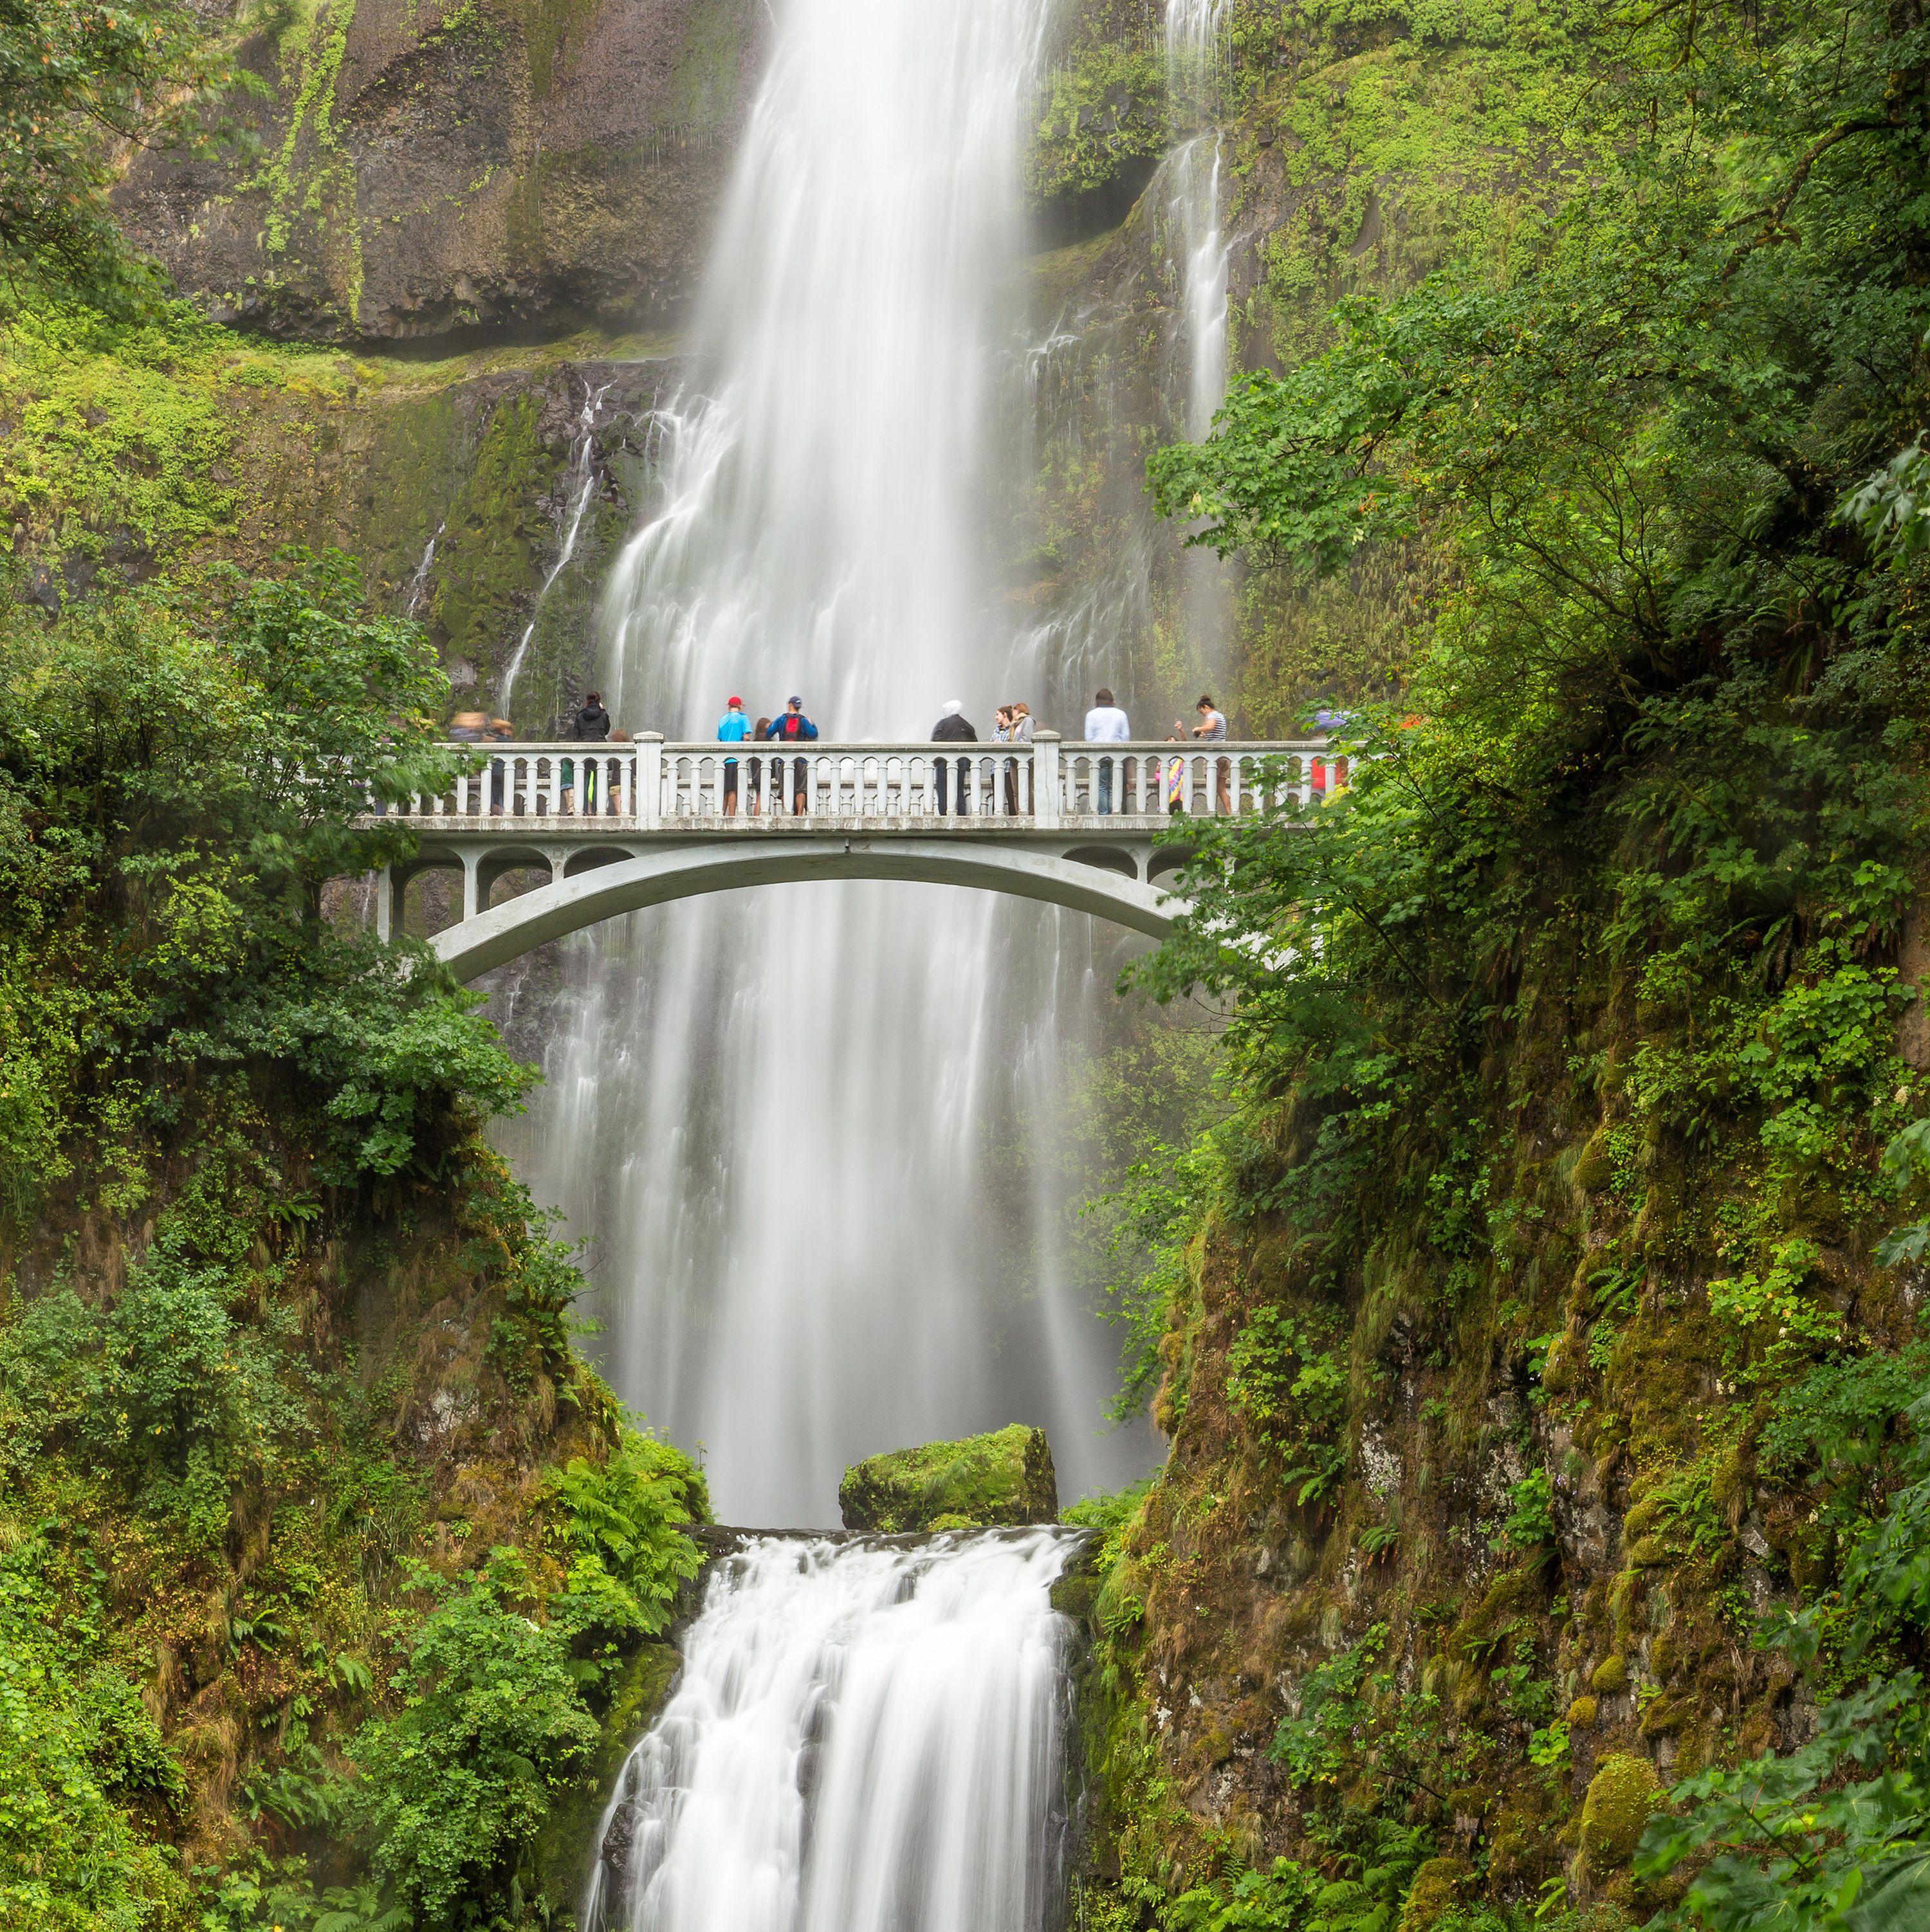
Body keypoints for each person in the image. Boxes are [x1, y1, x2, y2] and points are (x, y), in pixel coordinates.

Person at [1084, 685, 1130, 814]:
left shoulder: (1091, 715)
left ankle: (1104, 814)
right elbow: (1126, 737)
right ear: (1112, 700)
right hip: (1118, 757)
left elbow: (1089, 738)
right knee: (1114, 785)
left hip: (1099, 756)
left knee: (1102, 786)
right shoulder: (1121, 714)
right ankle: (1114, 812)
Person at [770, 696, 818, 813]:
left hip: (784, 759)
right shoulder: (803, 720)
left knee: (784, 788)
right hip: (801, 759)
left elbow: (769, 732)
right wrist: (812, 724)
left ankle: (787, 812)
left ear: (789, 705)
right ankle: (800, 814)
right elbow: (813, 734)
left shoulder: (782, 719)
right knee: (801, 789)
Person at [931, 699, 977, 815]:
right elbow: (974, 742)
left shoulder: (942, 724)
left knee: (943, 789)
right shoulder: (966, 725)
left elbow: (935, 741)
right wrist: (968, 763)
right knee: (959, 789)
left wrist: (936, 760)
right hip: (961, 762)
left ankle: (944, 813)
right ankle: (961, 813)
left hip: (943, 762)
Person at [1190, 693, 1231, 814]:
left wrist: (1198, 729)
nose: (1203, 715)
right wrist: (1204, 735)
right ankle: (1231, 814)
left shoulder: (1211, 715)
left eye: (1202, 712)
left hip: (1214, 758)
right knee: (1221, 789)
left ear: (1206, 708)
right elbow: (1216, 735)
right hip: (1224, 757)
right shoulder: (1221, 716)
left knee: (1212, 787)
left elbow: (1211, 726)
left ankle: (1212, 814)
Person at [717, 695, 752, 817]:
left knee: (725, 789)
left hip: (724, 760)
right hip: (737, 759)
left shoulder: (723, 719)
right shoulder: (743, 718)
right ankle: (732, 815)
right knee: (733, 789)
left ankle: (721, 813)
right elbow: (746, 737)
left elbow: (720, 740)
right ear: (740, 706)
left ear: (729, 706)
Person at [1009, 700, 1034, 813]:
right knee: (1016, 791)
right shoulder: (1014, 723)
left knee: (1028, 788)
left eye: (1014, 710)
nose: (1012, 713)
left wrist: (1014, 747)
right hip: (1014, 761)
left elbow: (1027, 738)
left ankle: (1029, 812)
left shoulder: (1028, 721)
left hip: (1025, 760)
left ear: (1018, 710)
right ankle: (1019, 812)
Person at [749, 715, 773, 816]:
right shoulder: (768, 742)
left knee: (760, 796)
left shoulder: (755, 743)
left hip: (756, 775)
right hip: (763, 774)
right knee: (761, 797)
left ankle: (757, 815)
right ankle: (758, 817)